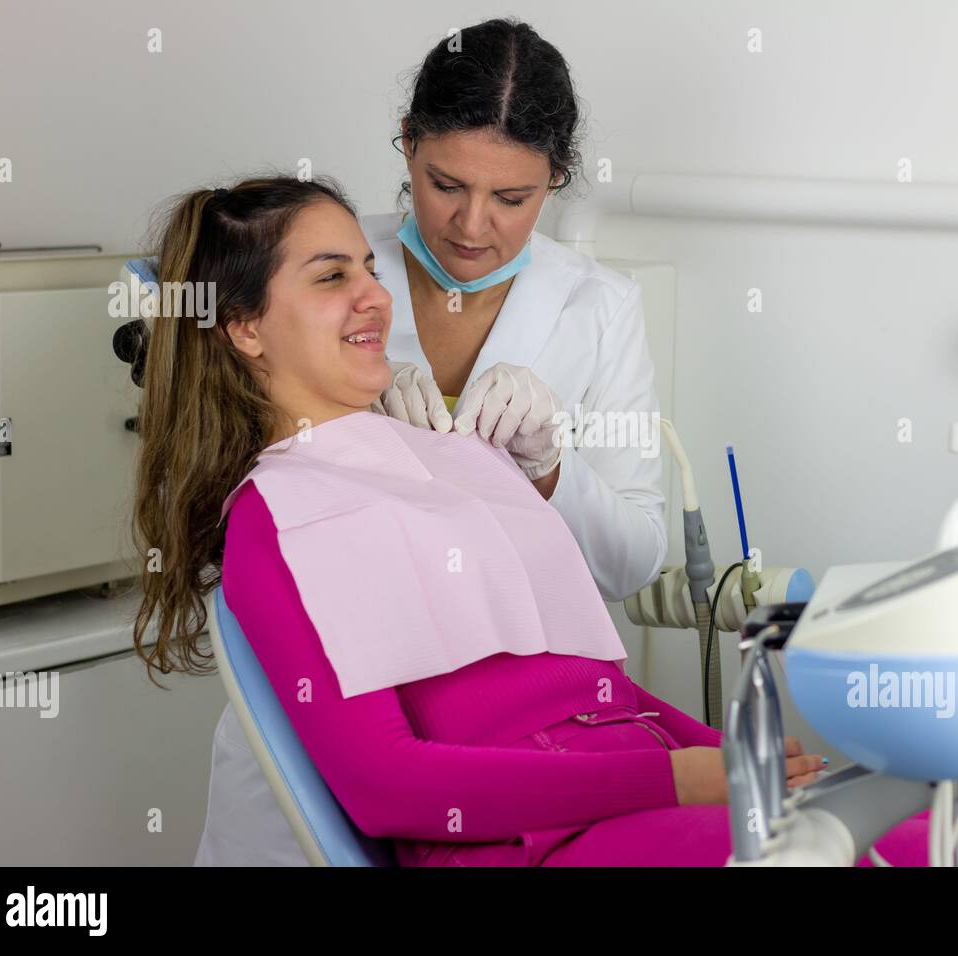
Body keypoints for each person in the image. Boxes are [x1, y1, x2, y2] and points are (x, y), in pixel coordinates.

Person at [128, 175, 826, 867]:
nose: (375, 294)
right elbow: (387, 786)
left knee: (914, 835)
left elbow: (597, 691)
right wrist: (677, 780)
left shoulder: (465, 454)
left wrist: (730, 755)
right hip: (542, 836)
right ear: (246, 327)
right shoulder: (281, 513)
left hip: (633, 785)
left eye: (369, 268)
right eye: (332, 276)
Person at [194, 18, 676, 865]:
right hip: (348, 720)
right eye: (444, 182)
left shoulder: (599, 307)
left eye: (513, 199)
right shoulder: (332, 262)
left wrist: (550, 468)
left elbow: (634, 561)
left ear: (555, 180)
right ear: (406, 144)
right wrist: (351, 437)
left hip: (517, 736)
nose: (471, 226)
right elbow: (240, 489)